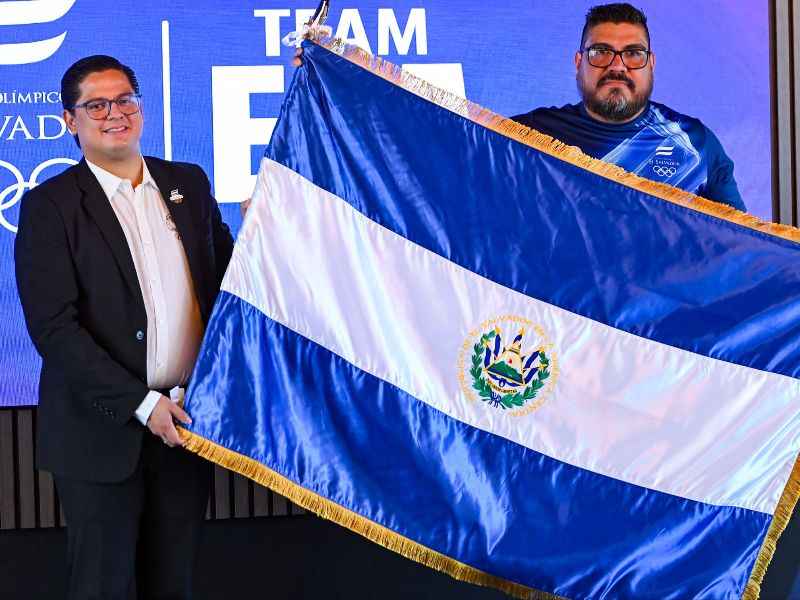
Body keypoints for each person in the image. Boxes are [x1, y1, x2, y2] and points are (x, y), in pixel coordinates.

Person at [14, 55, 234, 599]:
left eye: (125, 100)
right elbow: (54, 329)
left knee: (172, 585)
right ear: (71, 120)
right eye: (97, 104)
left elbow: (232, 285)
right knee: (102, 587)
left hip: (186, 424)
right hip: (100, 435)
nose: (115, 113)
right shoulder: (49, 206)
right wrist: (142, 404)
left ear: (141, 106)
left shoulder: (188, 184)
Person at [513, 3, 746, 211]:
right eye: (601, 52)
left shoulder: (696, 144)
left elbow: (741, 245)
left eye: (633, 53)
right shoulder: (528, 137)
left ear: (651, 63)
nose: (617, 66)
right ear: (578, 62)